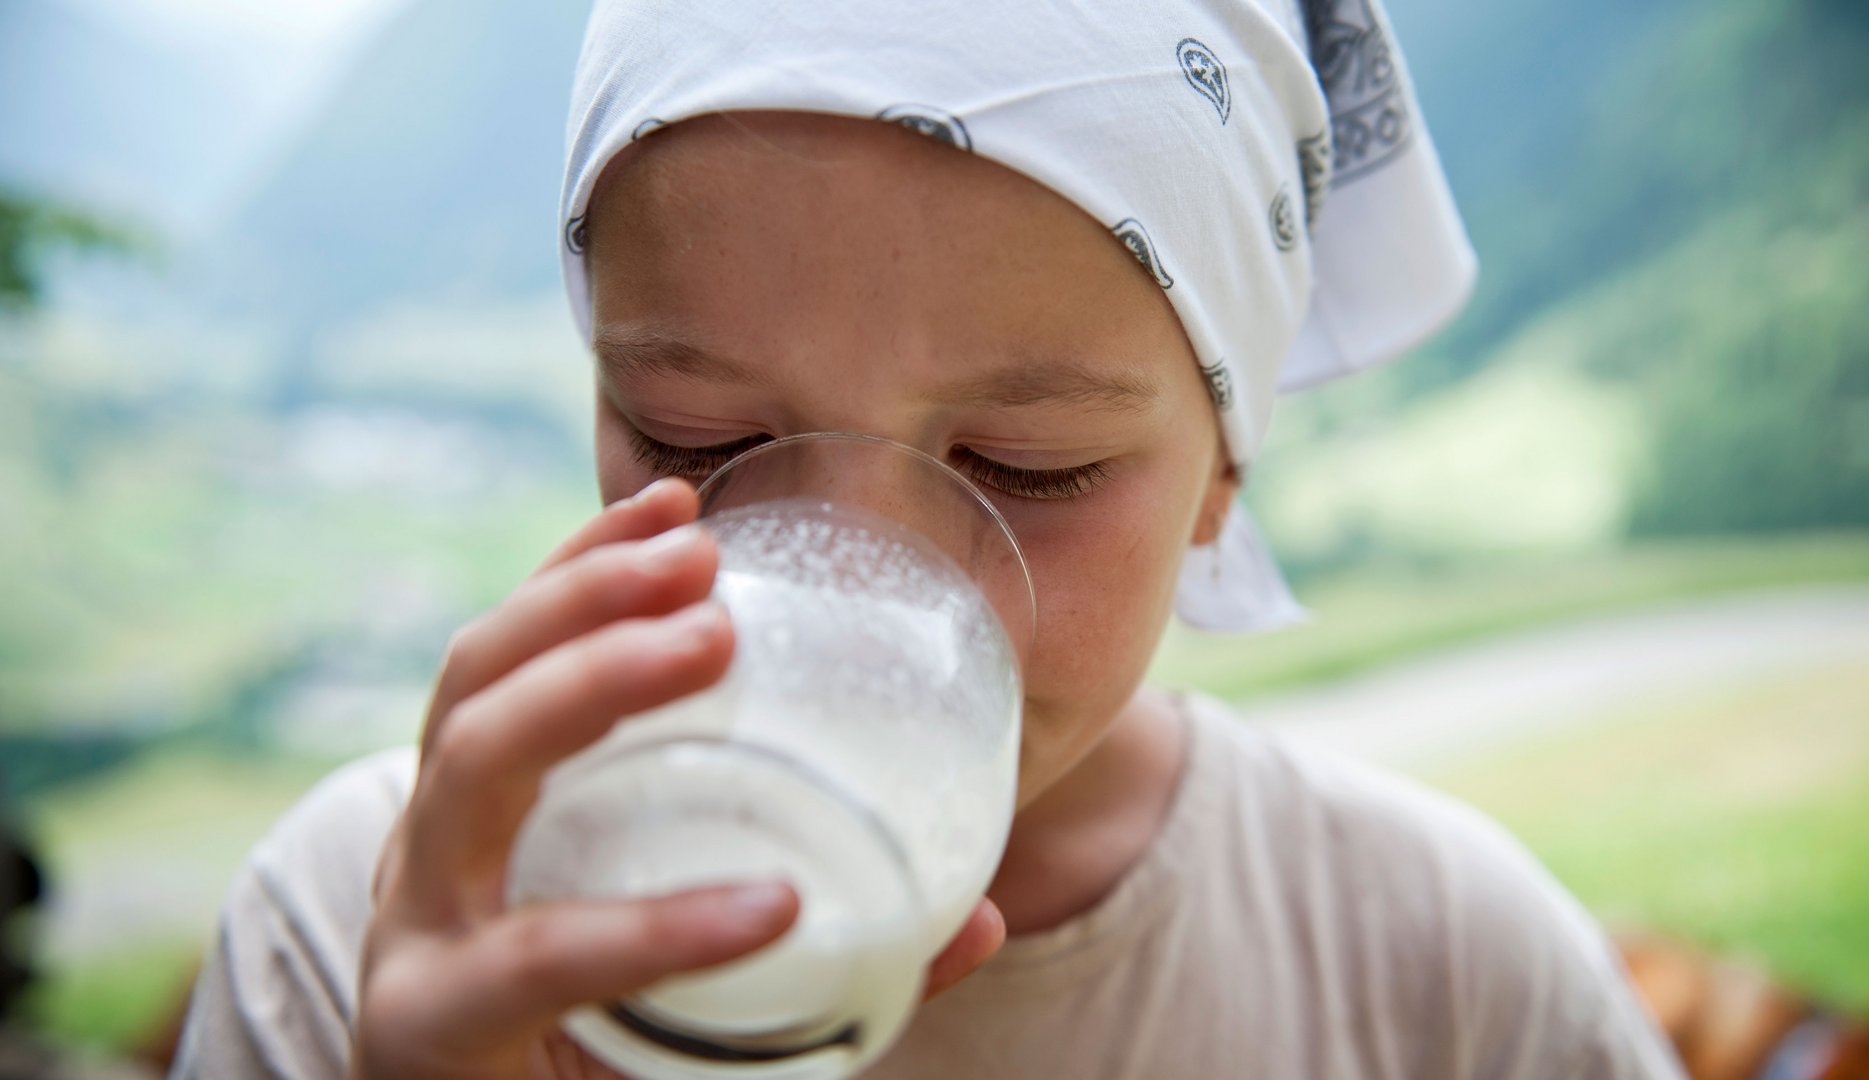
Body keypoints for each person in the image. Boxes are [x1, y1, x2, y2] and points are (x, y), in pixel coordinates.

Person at [171, 1, 1685, 1077]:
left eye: (1029, 469)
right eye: (701, 438)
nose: (862, 589)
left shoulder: (1445, 979)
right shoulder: (350, 932)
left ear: (1222, 474)